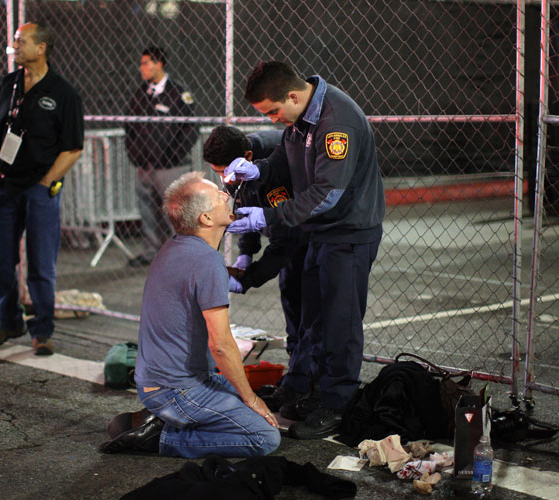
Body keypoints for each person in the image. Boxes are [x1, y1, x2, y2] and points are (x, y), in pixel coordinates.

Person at [224, 61, 385, 439]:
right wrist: (260, 171)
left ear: (293, 96)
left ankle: (338, 401)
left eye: (273, 111)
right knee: (315, 316)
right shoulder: (301, 119)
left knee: (340, 322)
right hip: (322, 232)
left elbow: (326, 193)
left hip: (347, 233)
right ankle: (312, 388)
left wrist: (265, 217)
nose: (274, 119)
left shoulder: (335, 122)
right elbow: (285, 158)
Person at [100, 171, 281, 458]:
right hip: (176, 388)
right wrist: (251, 398)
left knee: (253, 410)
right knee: (265, 436)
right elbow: (220, 345)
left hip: (168, 382)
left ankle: (160, 418)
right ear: (206, 219)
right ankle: (161, 437)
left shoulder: (177, 246)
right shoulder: (206, 260)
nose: (226, 194)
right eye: (218, 196)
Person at [0, 22, 84, 356]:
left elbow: (72, 148)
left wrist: (44, 182)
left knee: (41, 262)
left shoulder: (63, 93)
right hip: (6, 187)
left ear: (41, 48)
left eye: (20, 41)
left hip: (41, 190)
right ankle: (8, 320)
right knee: (1, 258)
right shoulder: (7, 84)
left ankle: (42, 330)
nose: (14, 45)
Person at [203, 125, 314, 421]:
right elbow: (244, 208)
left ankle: (312, 389)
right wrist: (245, 254)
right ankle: (296, 382)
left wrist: (250, 278)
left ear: (248, 158)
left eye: (224, 172)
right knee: (293, 306)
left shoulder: (282, 165)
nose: (223, 179)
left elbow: (287, 239)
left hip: (314, 240)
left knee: (312, 313)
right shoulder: (236, 168)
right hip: (288, 237)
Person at [124, 46, 198, 267]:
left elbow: (191, 129)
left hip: (170, 166)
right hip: (145, 166)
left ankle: (178, 254)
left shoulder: (178, 93)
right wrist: (136, 154)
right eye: (141, 63)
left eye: (146, 63)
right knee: (148, 210)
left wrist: (172, 155)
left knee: (174, 212)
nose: (142, 68)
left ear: (159, 64)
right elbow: (129, 127)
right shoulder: (141, 93)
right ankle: (152, 251)